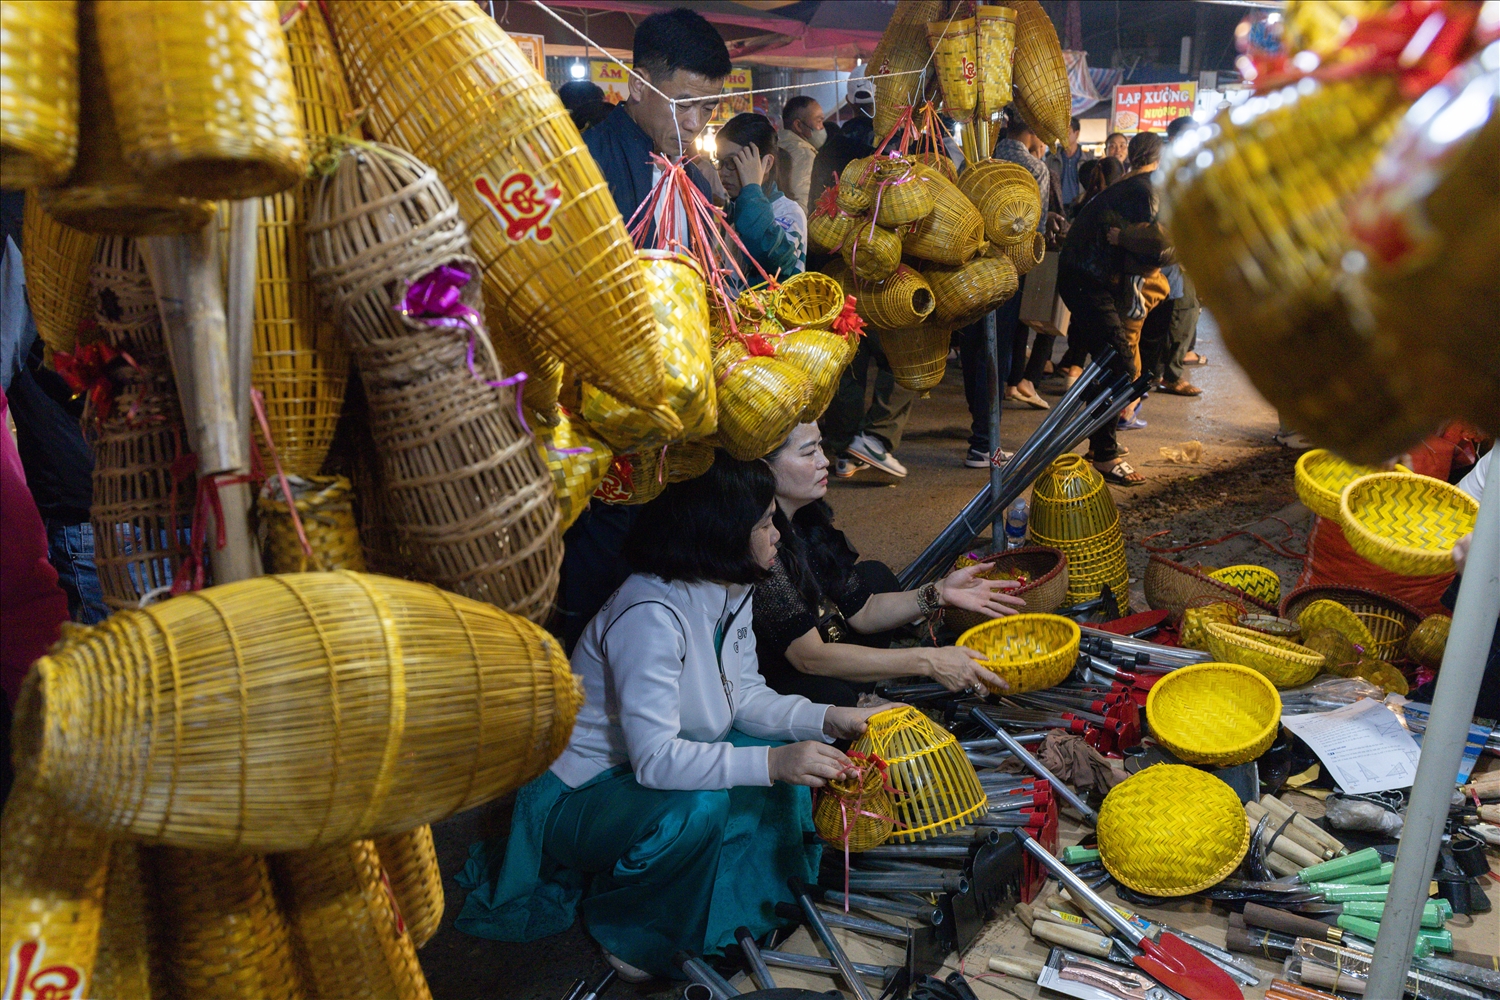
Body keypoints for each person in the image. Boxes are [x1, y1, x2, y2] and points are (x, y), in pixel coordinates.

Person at [454, 454, 886, 983]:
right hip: (583, 792)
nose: (778, 534)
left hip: (655, 761)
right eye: (764, 523)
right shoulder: (649, 616)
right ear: (721, 534)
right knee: (703, 806)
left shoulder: (731, 587)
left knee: (794, 758)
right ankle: (638, 939)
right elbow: (656, 762)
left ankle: (731, 914)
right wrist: (772, 761)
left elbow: (744, 695)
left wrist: (827, 719)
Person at [560, 7, 731, 652]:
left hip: (670, 414)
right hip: (610, 414)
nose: (696, 124)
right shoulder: (596, 166)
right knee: (599, 574)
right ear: (639, 86)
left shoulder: (682, 168)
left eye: (707, 109)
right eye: (685, 105)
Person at [756, 423, 1025, 706]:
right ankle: (850, 702)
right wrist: (927, 661)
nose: (824, 461)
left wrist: (939, 593)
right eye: (809, 452)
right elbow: (809, 658)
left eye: (821, 446)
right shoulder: (762, 540)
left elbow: (863, 610)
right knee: (832, 699)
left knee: (875, 577)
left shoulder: (804, 518)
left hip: (819, 649)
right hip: (775, 682)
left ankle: (856, 697)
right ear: (765, 466)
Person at [1058, 131, 1174, 486]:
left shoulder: (1137, 185)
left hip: (1088, 278)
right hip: (1089, 281)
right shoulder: (1146, 190)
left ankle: (1099, 442)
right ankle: (1105, 454)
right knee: (1122, 365)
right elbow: (1157, 247)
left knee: (1113, 364)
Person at [958, 109, 1050, 469]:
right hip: (1006, 270)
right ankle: (985, 442)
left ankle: (980, 434)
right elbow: (1031, 230)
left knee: (973, 349)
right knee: (996, 355)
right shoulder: (1033, 168)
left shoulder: (977, 159)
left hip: (967, 267)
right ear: (1033, 133)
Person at [1143, 116, 1205, 397]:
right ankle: (1171, 375)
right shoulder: (1174, 168)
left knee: (1170, 312)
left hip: (1175, 251)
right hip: (1173, 254)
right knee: (1183, 310)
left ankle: (1157, 373)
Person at [716, 112, 807, 278]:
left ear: (767, 164)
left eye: (733, 162)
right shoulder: (734, 208)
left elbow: (772, 258)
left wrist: (751, 188)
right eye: (720, 162)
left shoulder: (789, 211)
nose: (722, 172)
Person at [778, 95, 825, 214]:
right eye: (818, 121)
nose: (822, 127)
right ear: (798, 125)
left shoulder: (777, 144)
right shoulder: (804, 155)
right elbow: (802, 204)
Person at [1045, 116, 1093, 214]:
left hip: (1081, 209)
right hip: (1057, 210)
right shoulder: (1051, 159)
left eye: (1067, 133)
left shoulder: (1088, 159)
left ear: (1077, 134)